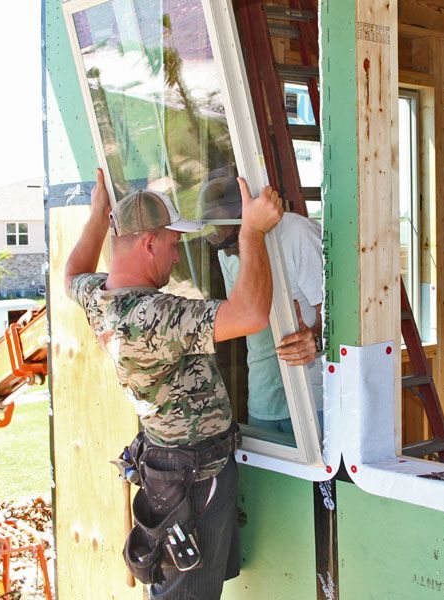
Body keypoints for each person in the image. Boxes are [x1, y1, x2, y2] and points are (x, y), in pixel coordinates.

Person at [65, 169, 283, 598]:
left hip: (174, 470)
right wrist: (253, 232)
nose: (178, 257)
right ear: (148, 244)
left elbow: (71, 273)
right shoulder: (153, 316)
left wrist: (97, 217)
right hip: (194, 482)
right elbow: (251, 314)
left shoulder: (100, 296)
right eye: (172, 244)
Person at [200, 177, 323, 436]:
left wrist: (314, 338)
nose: (230, 252)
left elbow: (338, 314)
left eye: (232, 242)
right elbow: (244, 315)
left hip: (310, 395)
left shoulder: (296, 233)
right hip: (263, 396)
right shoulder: (226, 250)